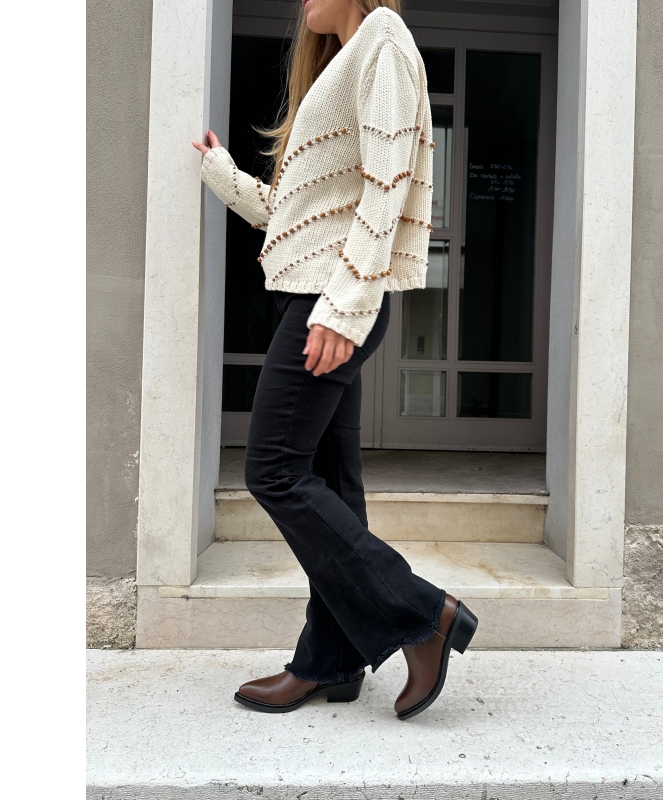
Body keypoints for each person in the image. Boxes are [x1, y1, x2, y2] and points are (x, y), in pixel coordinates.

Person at [192, 0, 477, 721]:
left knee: (274, 470)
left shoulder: (381, 37)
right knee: (334, 486)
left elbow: (387, 184)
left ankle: (425, 615)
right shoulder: (346, 61)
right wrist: (221, 172)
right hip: (320, 295)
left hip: (331, 302)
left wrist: (345, 307)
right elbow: (298, 217)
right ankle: (333, 662)